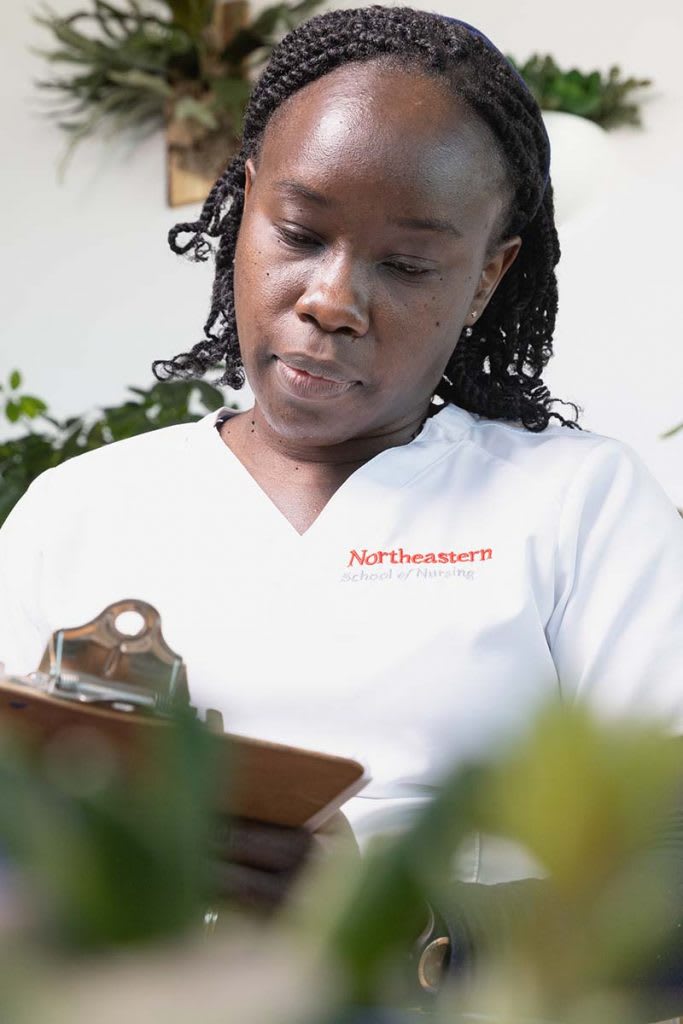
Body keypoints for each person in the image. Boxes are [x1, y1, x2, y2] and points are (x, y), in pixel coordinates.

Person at [1, 1, 682, 1000]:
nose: (331, 298)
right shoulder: (84, 509)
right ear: (240, 212)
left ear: (487, 276)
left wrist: (398, 911)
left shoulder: (574, 502)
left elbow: (655, 872)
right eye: (298, 231)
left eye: (405, 264)